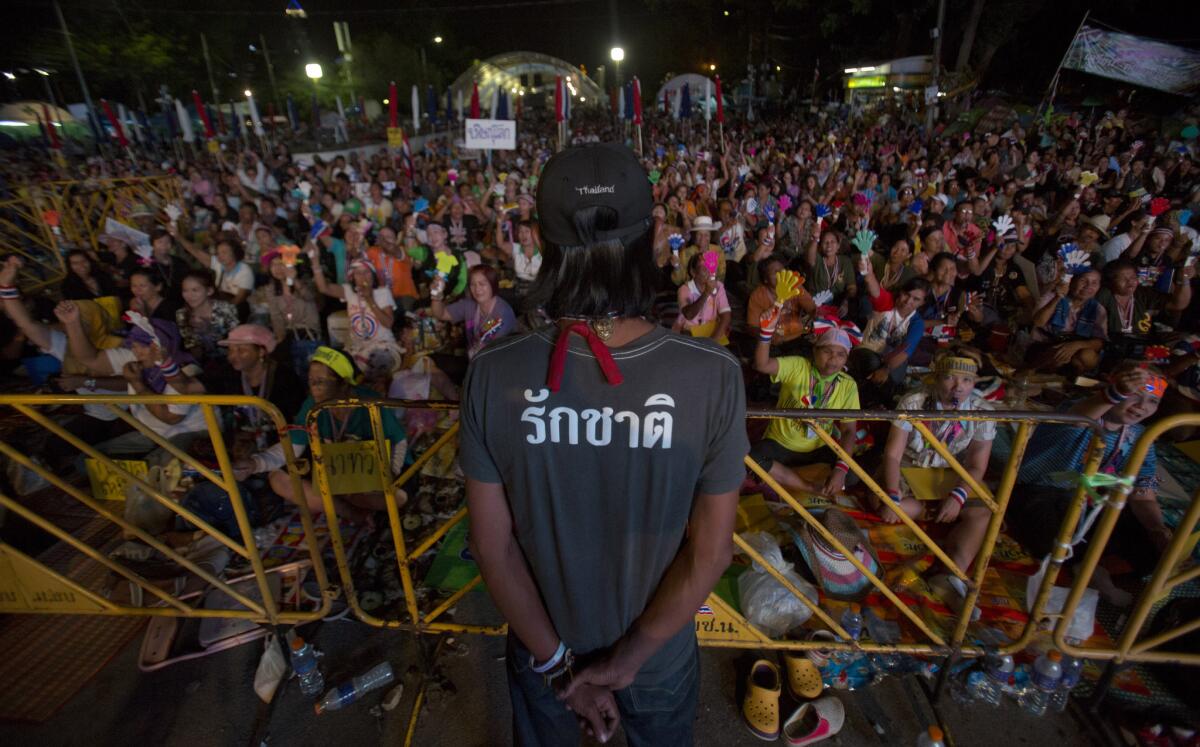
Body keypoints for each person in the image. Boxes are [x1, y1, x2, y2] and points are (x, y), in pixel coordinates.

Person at [460, 143, 747, 745]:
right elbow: (710, 553)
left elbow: (492, 548)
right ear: (657, 233)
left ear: (540, 238)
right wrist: (633, 655)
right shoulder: (713, 373)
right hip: (660, 657)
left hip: (544, 656)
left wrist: (559, 664)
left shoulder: (492, 371)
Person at [1010, 362, 1170, 606]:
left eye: (1152, 401)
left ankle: (1094, 567)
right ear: (1113, 387)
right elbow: (1080, 418)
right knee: (1046, 520)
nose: (1142, 406)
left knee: (1154, 541)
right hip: (1041, 490)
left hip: (1092, 501)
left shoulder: (1140, 437)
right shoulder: (1077, 411)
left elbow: (1143, 495)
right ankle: (1083, 567)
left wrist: (1158, 530)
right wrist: (1115, 393)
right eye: (1135, 395)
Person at [874, 346, 995, 612]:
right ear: (937, 379)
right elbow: (892, 455)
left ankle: (952, 574)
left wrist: (958, 497)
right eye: (950, 378)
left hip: (947, 471)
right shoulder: (914, 402)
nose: (958, 387)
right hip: (909, 464)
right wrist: (893, 495)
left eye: (966, 380)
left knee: (983, 513)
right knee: (889, 508)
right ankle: (931, 519)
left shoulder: (982, 410)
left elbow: (976, 465)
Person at [263, 346, 408, 522]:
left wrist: (390, 474)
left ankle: (356, 506)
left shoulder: (368, 404)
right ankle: (354, 514)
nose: (313, 387)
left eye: (320, 381)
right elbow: (292, 446)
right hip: (337, 477)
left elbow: (398, 442)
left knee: (396, 497)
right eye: (310, 380)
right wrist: (255, 463)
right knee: (278, 479)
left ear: (343, 383)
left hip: (374, 477)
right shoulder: (312, 406)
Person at [751, 319, 859, 496]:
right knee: (752, 457)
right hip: (781, 444)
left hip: (817, 447)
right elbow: (762, 365)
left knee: (852, 474)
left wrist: (840, 469)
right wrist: (766, 334)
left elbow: (849, 431)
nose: (833, 359)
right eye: (827, 351)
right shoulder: (798, 366)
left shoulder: (848, 386)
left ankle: (783, 476)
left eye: (841, 354)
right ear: (815, 351)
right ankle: (808, 486)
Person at [311, 248, 399, 383]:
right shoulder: (348, 291)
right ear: (353, 277)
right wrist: (315, 261)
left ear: (372, 274)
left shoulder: (382, 293)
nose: (363, 277)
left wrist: (370, 299)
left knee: (373, 368)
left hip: (382, 346)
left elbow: (388, 323)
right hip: (356, 347)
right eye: (358, 273)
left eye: (366, 272)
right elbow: (323, 288)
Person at [429, 264, 517, 359]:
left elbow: (494, 354)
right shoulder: (470, 305)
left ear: (493, 284)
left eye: (482, 284)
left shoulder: (502, 314)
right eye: (473, 284)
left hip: (497, 365)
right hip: (475, 361)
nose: (477, 289)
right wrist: (436, 295)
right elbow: (441, 314)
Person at [1028, 268, 1107, 374]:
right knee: (1060, 356)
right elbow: (1038, 322)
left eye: (1094, 283)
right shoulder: (1052, 296)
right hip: (1044, 345)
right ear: (1072, 281)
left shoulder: (1097, 308)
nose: (1088, 286)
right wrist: (1058, 298)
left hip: (1072, 348)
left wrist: (1076, 345)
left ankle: (1070, 383)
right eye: (1083, 281)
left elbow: (1099, 342)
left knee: (1087, 356)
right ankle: (1032, 372)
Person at [176, 270, 239, 368]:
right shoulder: (182, 314)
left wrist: (208, 330)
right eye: (185, 290)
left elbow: (237, 341)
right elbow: (193, 348)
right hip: (205, 364)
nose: (189, 296)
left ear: (209, 291)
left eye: (195, 290)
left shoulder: (226, 309)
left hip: (232, 360)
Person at [673, 252, 732, 346]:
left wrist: (712, 342)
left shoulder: (719, 286)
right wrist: (706, 293)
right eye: (704, 268)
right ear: (693, 272)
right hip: (687, 331)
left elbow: (726, 316)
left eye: (711, 267)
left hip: (709, 331)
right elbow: (689, 315)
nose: (709, 272)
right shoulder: (684, 289)